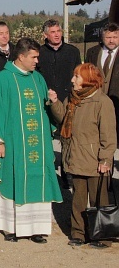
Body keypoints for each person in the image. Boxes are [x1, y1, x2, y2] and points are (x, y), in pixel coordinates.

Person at [0, 37, 63, 243]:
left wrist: (53, 103)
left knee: (37, 180)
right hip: (12, 143)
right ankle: (10, 228)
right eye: (33, 57)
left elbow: (46, 110)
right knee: (11, 178)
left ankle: (35, 228)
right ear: (21, 56)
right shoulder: (0, 80)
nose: (37, 61)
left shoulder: (39, 79)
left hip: (37, 143)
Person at [50, 63, 116, 249]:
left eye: (77, 77)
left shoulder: (102, 102)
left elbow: (109, 134)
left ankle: (101, 237)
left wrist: (105, 159)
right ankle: (78, 233)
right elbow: (63, 119)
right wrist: (54, 103)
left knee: (99, 200)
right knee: (78, 199)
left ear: (88, 79)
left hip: (95, 160)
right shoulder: (73, 98)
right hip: (76, 157)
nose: (72, 80)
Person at [37, 19, 81, 189]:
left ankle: (67, 174)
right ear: (45, 35)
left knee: (66, 138)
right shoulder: (40, 52)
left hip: (67, 100)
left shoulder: (72, 51)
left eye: (58, 31)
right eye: (53, 32)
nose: (56, 34)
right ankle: (44, 172)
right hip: (45, 100)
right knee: (45, 137)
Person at [85, 22, 119, 145]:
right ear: (102, 37)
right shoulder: (92, 52)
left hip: (117, 102)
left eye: (115, 37)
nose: (111, 41)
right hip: (96, 101)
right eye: (108, 37)